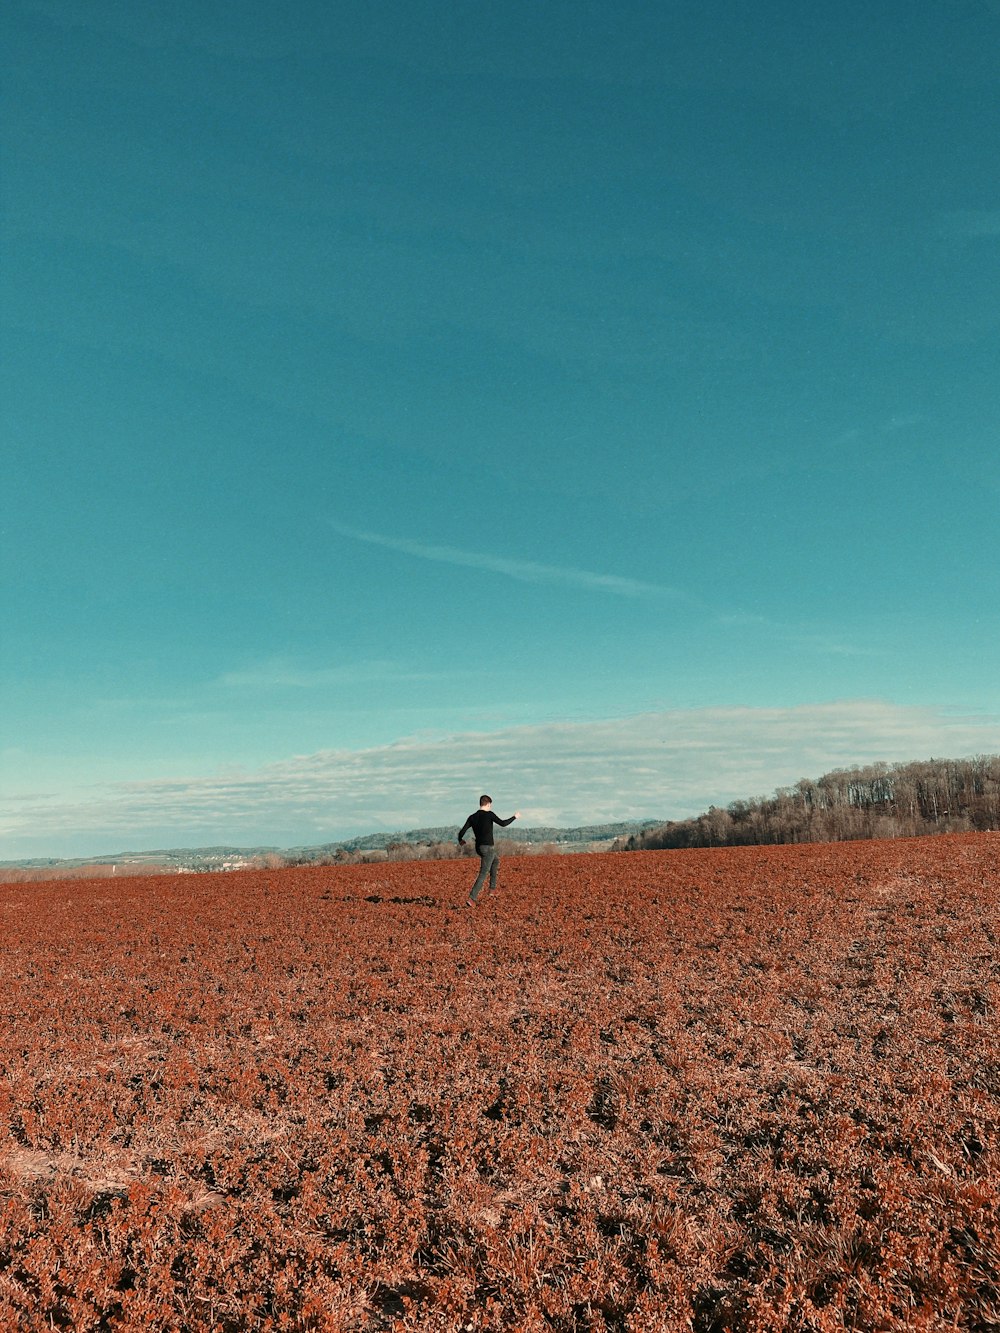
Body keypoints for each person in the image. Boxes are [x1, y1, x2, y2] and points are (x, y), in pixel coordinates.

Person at [458, 795, 520, 906]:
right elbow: (503, 823)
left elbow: (461, 831)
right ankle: (472, 898)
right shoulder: (489, 814)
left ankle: (492, 889)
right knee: (483, 873)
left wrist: (460, 840)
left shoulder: (472, 817)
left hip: (479, 848)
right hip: (488, 848)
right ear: (488, 804)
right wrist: (514, 817)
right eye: (490, 805)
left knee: (495, 861)